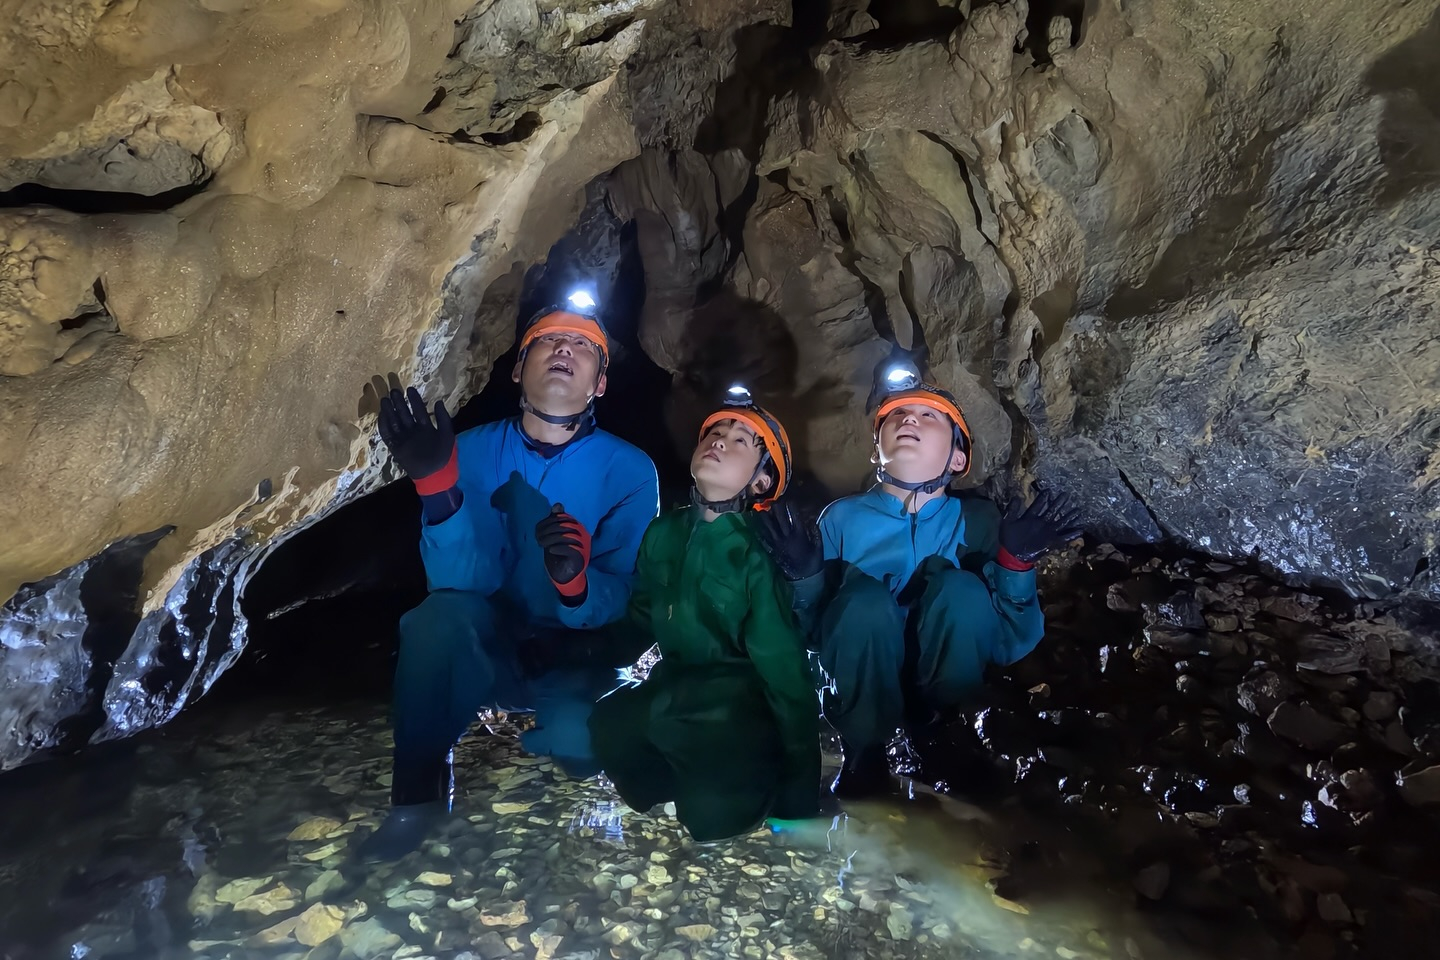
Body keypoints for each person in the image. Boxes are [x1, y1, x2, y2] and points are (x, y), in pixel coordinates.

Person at [358, 292, 659, 861]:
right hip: (492, 641)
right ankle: (417, 798)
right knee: (434, 621)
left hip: (576, 652)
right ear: (519, 367)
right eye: (548, 339)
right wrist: (435, 486)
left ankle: (574, 747)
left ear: (599, 384)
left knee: (579, 745)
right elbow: (457, 584)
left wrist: (576, 583)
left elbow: (629, 598)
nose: (564, 348)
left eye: (583, 346)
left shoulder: (631, 471)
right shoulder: (466, 451)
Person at [761, 358, 1082, 798]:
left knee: (961, 589)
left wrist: (1015, 562)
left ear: (958, 457)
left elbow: (1009, 641)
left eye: (929, 416)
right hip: (864, 678)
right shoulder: (841, 518)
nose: (908, 417)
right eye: (896, 415)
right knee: (864, 603)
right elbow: (816, 635)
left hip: (943, 679)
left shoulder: (979, 522)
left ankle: (938, 729)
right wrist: (804, 578)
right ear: (877, 451)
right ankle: (864, 747)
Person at [587, 386, 820, 841]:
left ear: (760, 481)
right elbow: (639, 620)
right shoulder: (663, 533)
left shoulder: (758, 552)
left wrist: (800, 794)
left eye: (740, 441)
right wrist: (581, 659)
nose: (718, 441)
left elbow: (786, 675)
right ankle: (678, 783)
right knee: (604, 725)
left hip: (737, 703)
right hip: (675, 686)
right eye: (715, 431)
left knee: (714, 819)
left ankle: (740, 781)